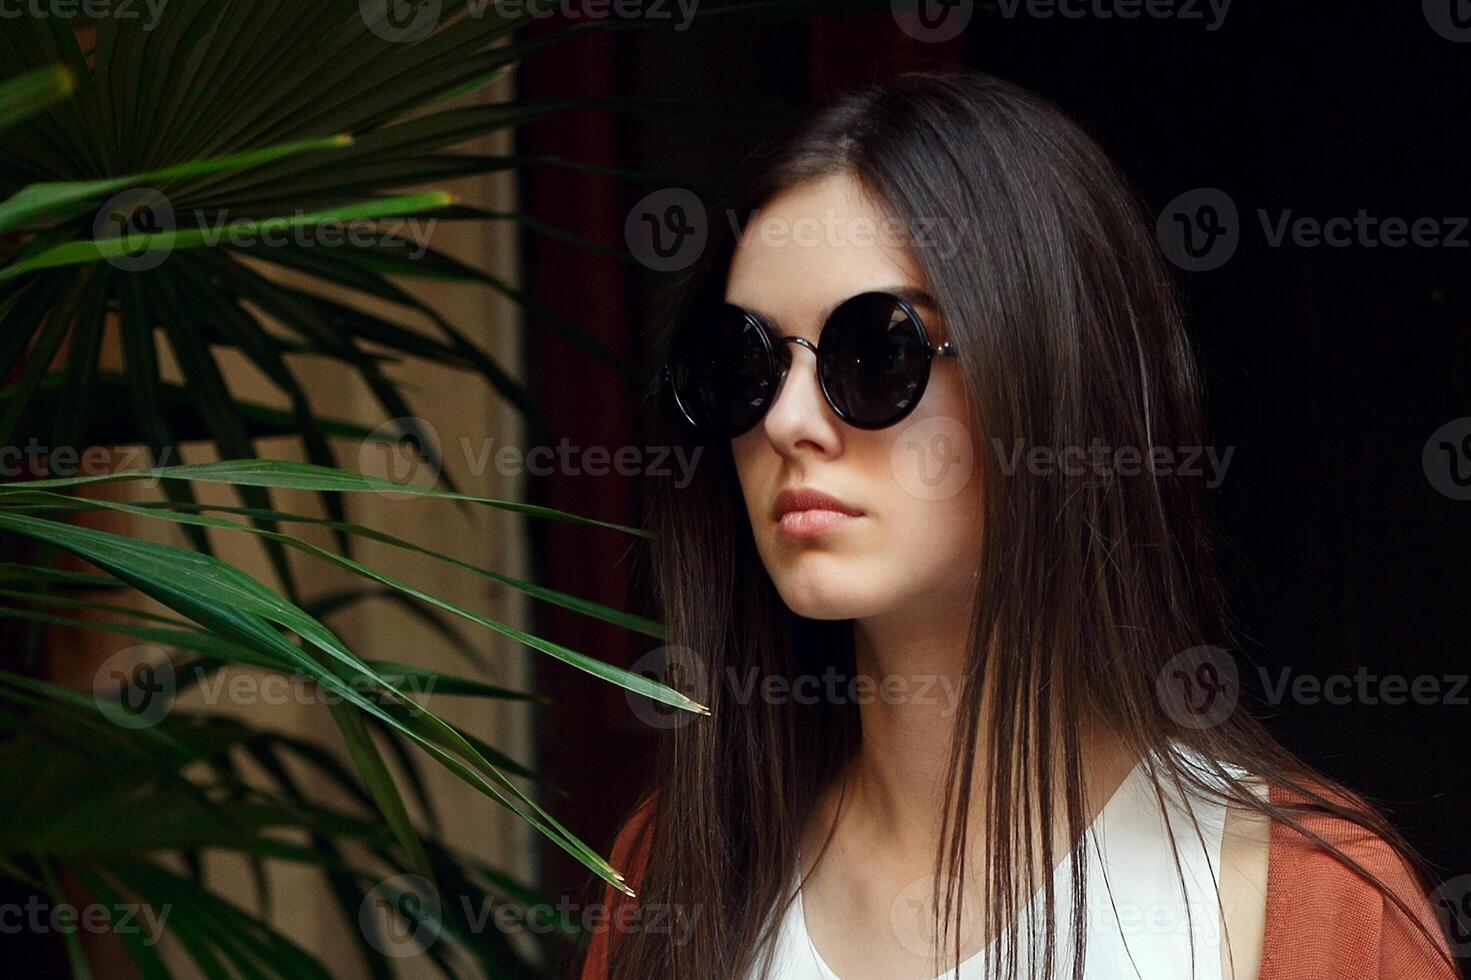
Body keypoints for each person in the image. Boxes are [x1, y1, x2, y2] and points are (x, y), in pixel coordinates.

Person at [580, 69, 1458, 980]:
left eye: (876, 352)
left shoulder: (1306, 907)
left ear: (1049, 386)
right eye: (746, 364)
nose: (786, 420)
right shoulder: (671, 876)